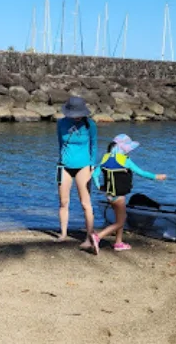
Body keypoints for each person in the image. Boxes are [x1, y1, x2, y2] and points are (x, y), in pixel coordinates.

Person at [89, 134, 167, 255]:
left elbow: (94, 175)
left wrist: (99, 186)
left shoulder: (105, 158)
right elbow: (141, 172)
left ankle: (118, 243)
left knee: (120, 217)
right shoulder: (125, 160)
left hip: (108, 195)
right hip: (119, 196)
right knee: (120, 221)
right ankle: (98, 236)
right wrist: (156, 176)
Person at [56, 96, 98, 247]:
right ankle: (63, 233)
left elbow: (94, 145)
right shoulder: (60, 123)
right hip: (64, 166)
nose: (77, 117)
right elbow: (61, 143)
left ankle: (89, 237)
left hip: (84, 166)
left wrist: (93, 164)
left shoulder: (90, 124)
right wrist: (62, 160)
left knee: (85, 203)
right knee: (63, 202)